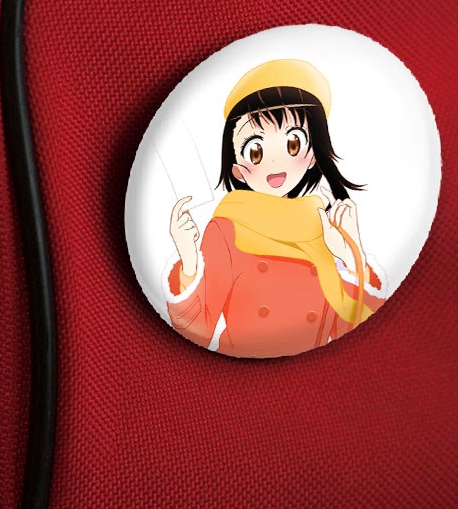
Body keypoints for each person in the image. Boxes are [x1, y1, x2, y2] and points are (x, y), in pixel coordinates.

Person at [164, 59, 386, 357]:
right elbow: (198, 327)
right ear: (237, 168)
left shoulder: (324, 224)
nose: (274, 162)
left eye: (293, 144)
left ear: (312, 156)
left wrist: (350, 252)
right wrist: (189, 263)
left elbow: (355, 326)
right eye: (255, 150)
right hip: (246, 368)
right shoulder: (226, 229)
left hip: (319, 365)